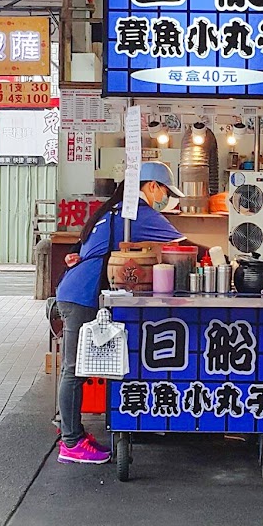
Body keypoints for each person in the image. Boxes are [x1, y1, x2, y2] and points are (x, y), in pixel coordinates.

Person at [56, 161, 186, 465]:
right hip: (81, 295)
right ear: (151, 187)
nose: (164, 197)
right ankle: (70, 443)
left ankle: (74, 432)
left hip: (75, 289)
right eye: (164, 191)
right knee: (74, 370)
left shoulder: (110, 210)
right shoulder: (136, 213)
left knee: (78, 368)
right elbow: (182, 245)